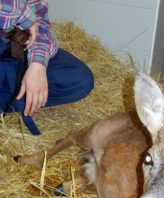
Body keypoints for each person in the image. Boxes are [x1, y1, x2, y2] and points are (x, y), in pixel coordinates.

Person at [0, 0, 94, 135]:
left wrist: (37, 65)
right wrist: (24, 15)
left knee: (79, 79)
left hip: (16, 47)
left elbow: (40, 24)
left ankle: (7, 100)